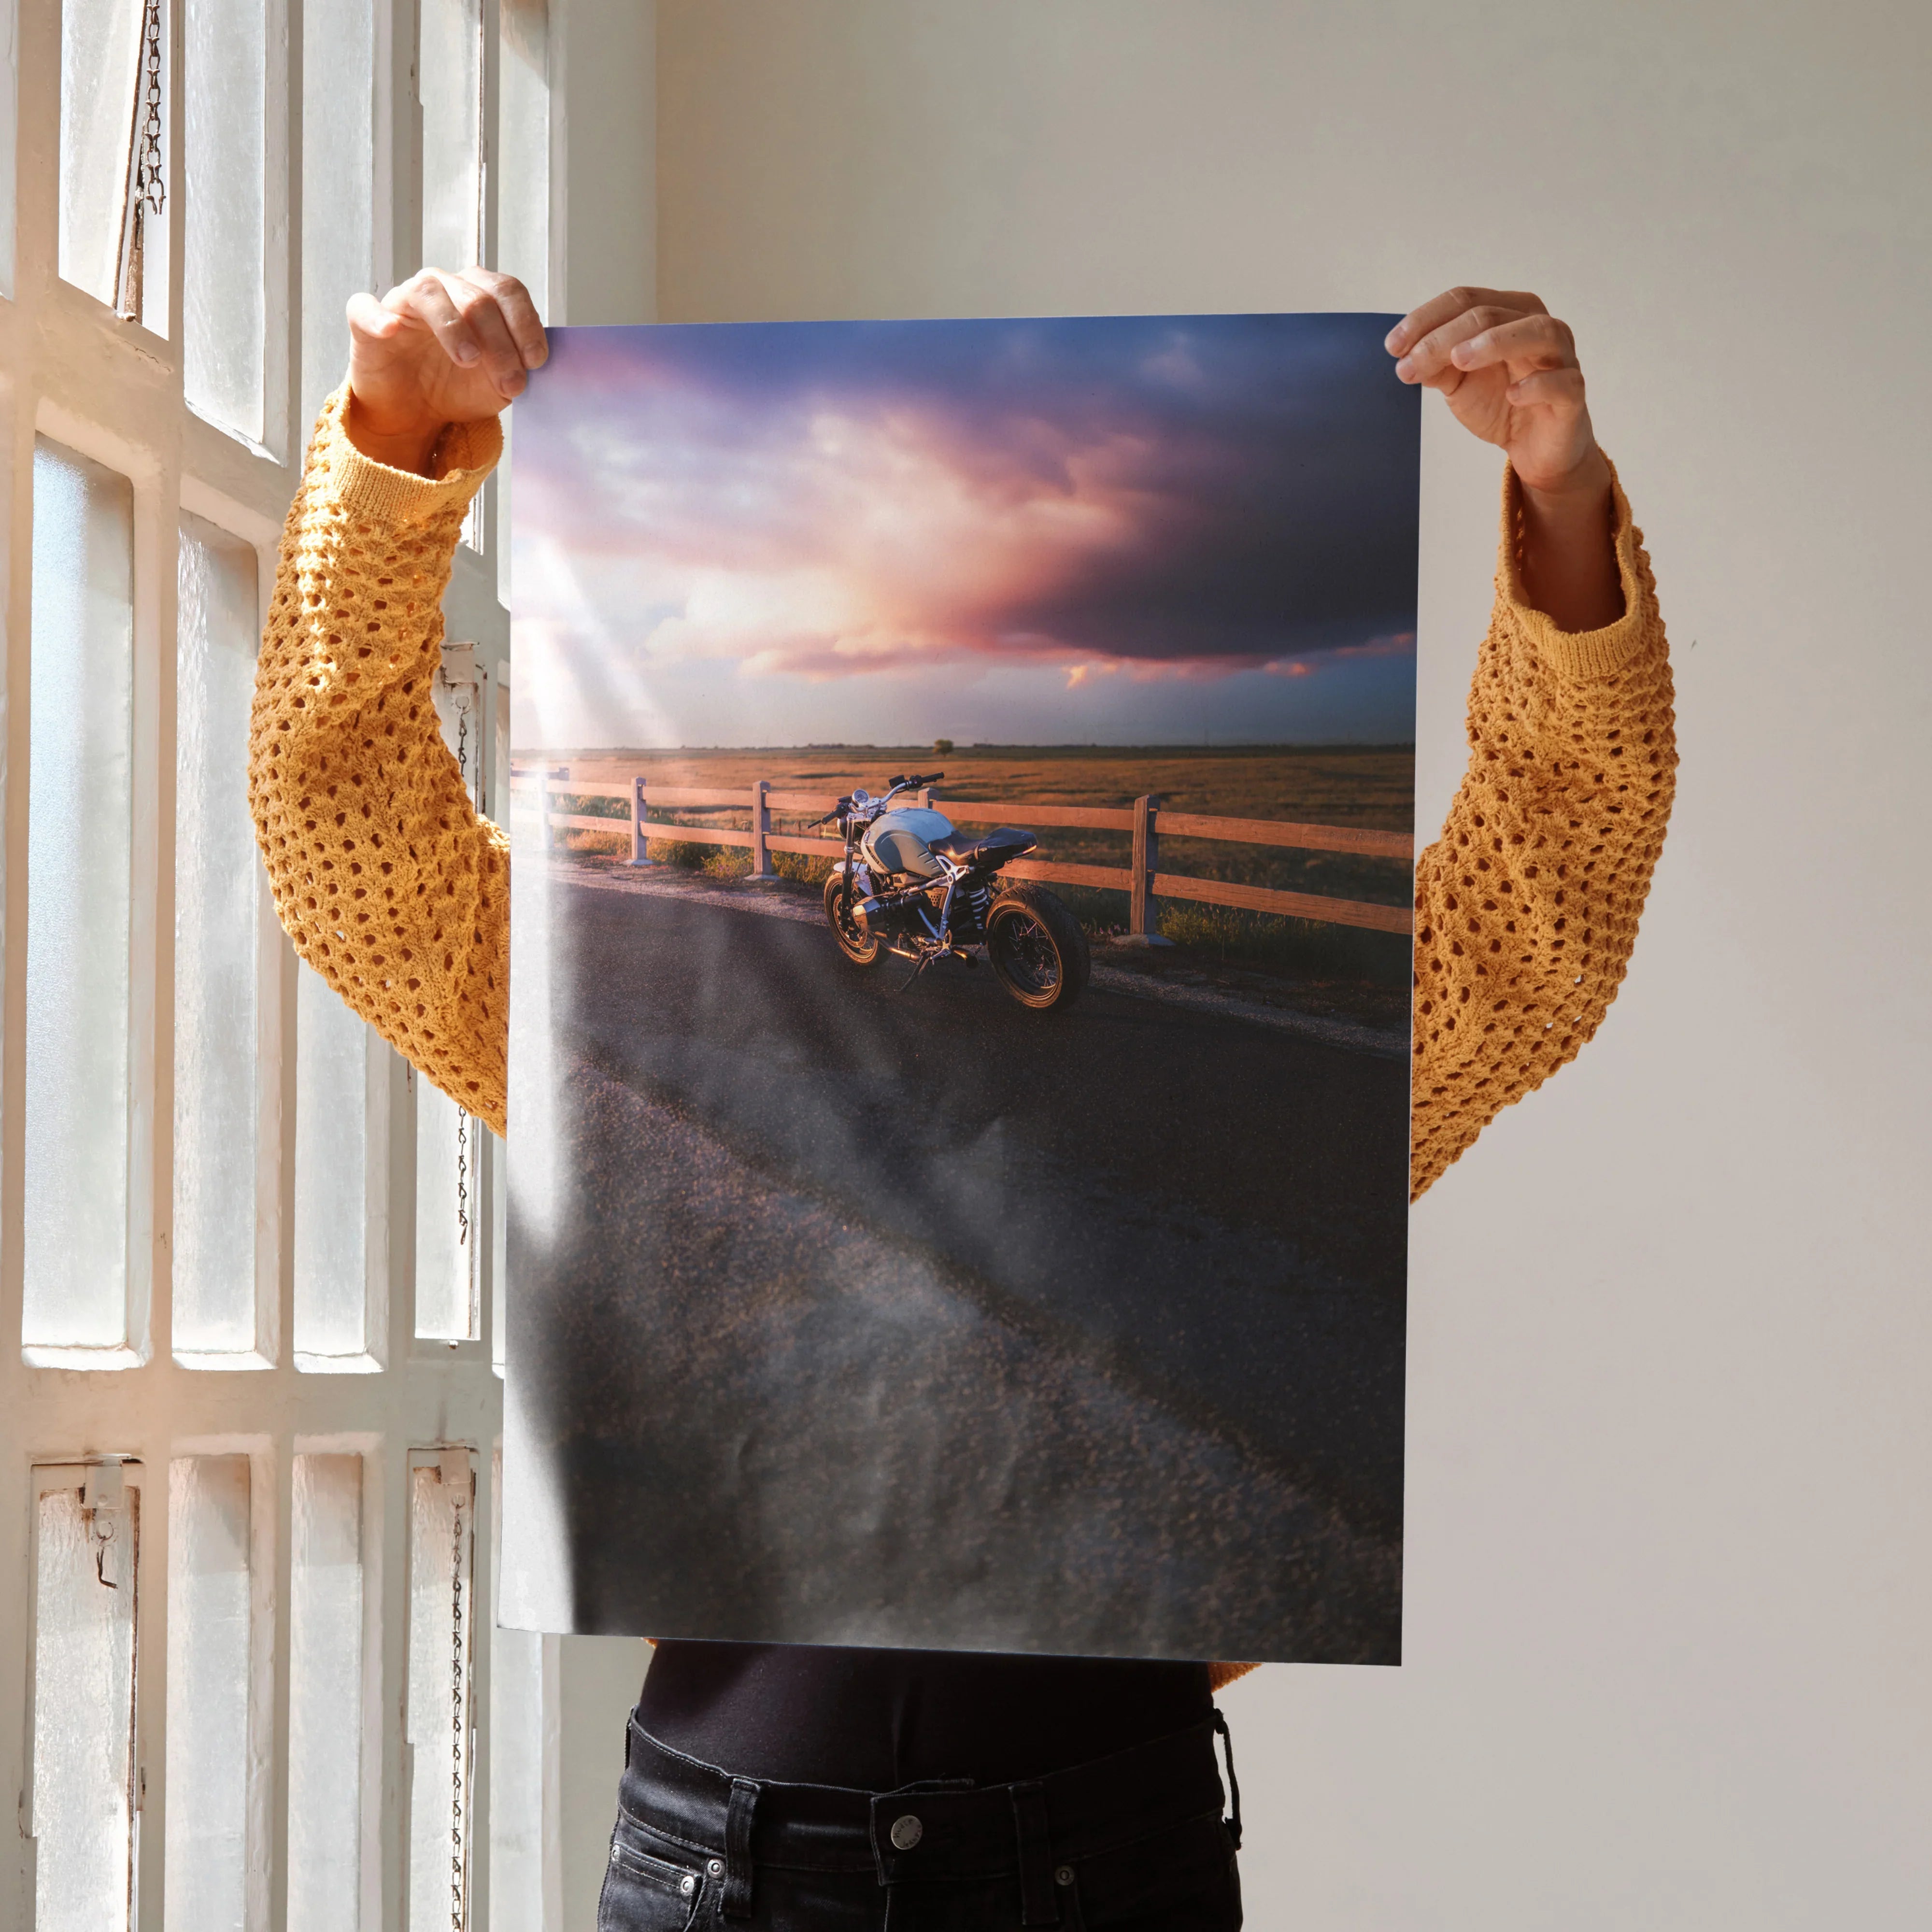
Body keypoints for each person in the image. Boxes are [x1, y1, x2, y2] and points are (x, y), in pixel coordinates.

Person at [250, 269, 1675, 1930]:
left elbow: (1542, 915)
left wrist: (1561, 500)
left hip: (1105, 1853)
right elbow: (349, 843)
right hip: (730, 1862)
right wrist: (392, 444)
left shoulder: (1194, 1086)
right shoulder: (610, 1013)